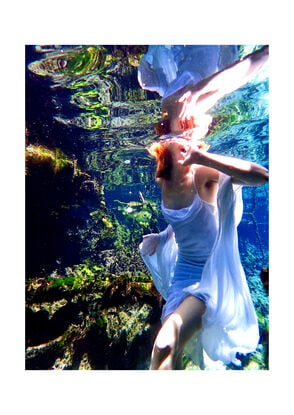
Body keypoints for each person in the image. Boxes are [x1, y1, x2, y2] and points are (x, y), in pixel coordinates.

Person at [138, 45, 269, 370]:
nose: (184, 139)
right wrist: (165, 235)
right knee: (167, 346)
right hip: (190, 280)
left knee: (167, 345)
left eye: (188, 135)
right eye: (176, 141)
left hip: (204, 279)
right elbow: (188, 222)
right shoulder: (169, 179)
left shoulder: (204, 172)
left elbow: (262, 176)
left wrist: (201, 157)